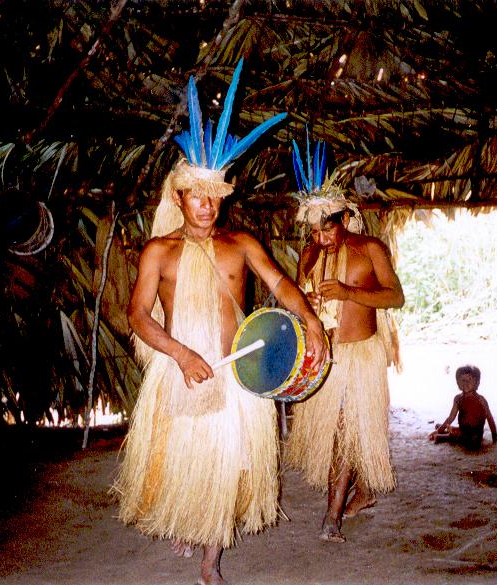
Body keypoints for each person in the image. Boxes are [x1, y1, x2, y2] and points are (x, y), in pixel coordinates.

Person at [112, 60, 327, 585]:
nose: (206, 206)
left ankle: (211, 563)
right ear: (179, 197)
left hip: (237, 374)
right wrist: (182, 354)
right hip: (180, 371)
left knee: (228, 465)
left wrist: (313, 323)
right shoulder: (159, 252)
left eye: (214, 196)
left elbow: (280, 285)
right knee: (185, 461)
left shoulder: (242, 244)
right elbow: (137, 314)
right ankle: (189, 519)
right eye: (196, 196)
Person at [284, 134, 405, 543]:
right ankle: (364, 491)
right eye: (316, 230)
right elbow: (303, 304)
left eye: (328, 228)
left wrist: (349, 293)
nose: (323, 237)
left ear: (345, 218)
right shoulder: (309, 254)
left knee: (346, 432)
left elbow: (396, 296)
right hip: (327, 355)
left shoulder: (370, 248)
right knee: (337, 432)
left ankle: (331, 516)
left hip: (360, 355)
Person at [429, 364, 497, 450]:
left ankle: (442, 436)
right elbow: (451, 417)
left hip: (475, 435)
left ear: (477, 382)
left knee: (460, 437)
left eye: (469, 380)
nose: (465, 383)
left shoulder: (481, 400)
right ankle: (445, 430)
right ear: (457, 383)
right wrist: (439, 430)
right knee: (456, 431)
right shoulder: (458, 399)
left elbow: (490, 418)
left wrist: (495, 437)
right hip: (463, 430)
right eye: (462, 380)